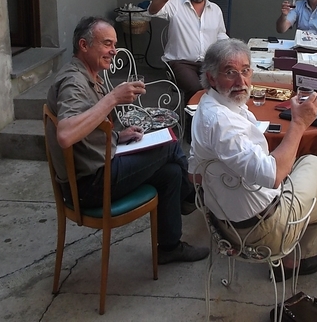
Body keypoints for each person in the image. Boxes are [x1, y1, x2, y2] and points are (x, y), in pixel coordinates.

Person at [45, 16, 208, 265]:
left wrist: (117, 136)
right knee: (171, 146)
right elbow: (66, 135)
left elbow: (87, 130)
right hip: (91, 185)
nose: (113, 50)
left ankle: (169, 247)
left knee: (172, 172)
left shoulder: (87, 74)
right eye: (107, 43)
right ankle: (194, 197)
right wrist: (112, 98)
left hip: (99, 169)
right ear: (84, 45)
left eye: (115, 44)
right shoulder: (73, 82)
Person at [189, 39, 317, 280]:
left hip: (221, 222)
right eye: (230, 73)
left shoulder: (206, 106)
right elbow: (274, 176)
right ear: (212, 77)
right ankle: (290, 262)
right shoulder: (222, 122)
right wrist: (300, 123)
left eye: (246, 71)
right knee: (314, 163)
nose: (241, 81)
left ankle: (292, 255)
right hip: (261, 231)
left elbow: (194, 173)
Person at [149, 0, 228, 101]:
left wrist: (231, 52)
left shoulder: (215, 10)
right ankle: (191, 120)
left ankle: (214, 118)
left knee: (225, 84)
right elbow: (152, 10)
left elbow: (220, 35)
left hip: (208, 63)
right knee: (197, 89)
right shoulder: (175, 3)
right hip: (180, 63)